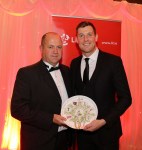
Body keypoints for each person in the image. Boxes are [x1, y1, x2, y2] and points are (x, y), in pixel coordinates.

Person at [70, 21, 132, 150]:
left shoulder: (113, 62)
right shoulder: (74, 64)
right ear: (76, 40)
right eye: (81, 35)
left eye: (89, 35)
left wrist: (104, 121)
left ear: (96, 37)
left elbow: (126, 98)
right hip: (82, 135)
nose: (85, 39)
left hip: (107, 134)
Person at [11, 32, 73, 150]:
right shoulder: (27, 74)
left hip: (65, 140)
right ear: (41, 48)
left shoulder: (67, 71)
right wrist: (50, 118)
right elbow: (17, 109)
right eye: (50, 47)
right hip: (39, 142)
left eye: (59, 47)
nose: (55, 51)